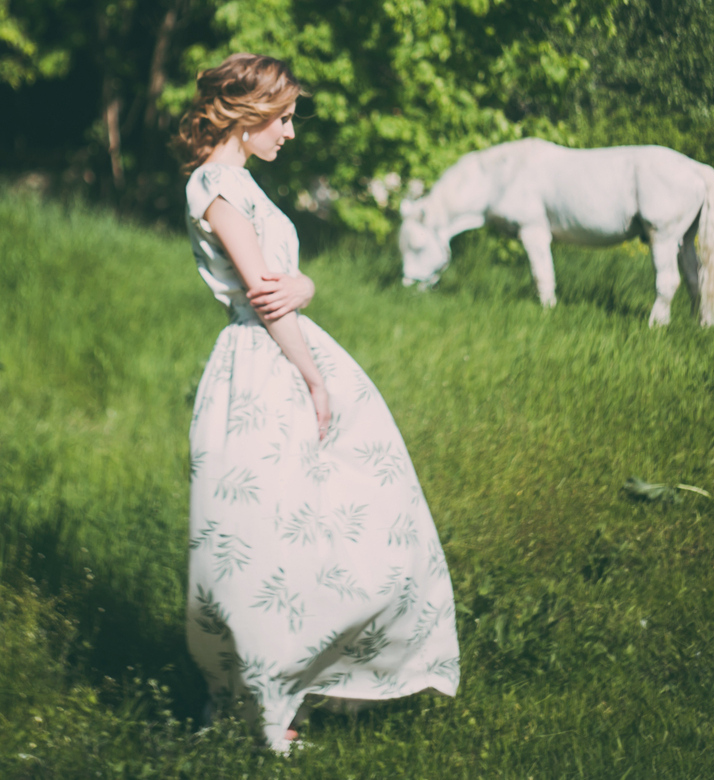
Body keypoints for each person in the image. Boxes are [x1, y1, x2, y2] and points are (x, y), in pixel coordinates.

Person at [174, 53, 460, 753]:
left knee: (329, 525)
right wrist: (313, 378)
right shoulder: (217, 186)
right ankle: (267, 709)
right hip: (267, 367)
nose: (291, 133)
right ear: (248, 113)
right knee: (267, 538)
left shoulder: (237, 183)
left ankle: (304, 678)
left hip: (279, 353)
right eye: (284, 117)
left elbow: (283, 287)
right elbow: (267, 293)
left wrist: (304, 290)